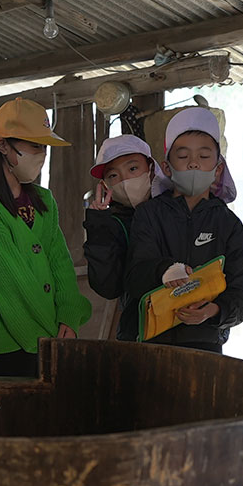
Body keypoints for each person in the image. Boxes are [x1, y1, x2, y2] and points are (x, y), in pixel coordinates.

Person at [0, 97, 91, 376]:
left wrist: (68, 316)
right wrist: (49, 335)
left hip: (51, 336)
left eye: (44, 147)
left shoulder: (44, 200)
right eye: (34, 146)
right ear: (4, 145)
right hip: (10, 344)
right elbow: (8, 280)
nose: (41, 154)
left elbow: (60, 263)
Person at [123, 106, 243, 352]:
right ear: (167, 166)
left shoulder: (229, 225)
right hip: (149, 345)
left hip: (205, 344)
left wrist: (214, 311)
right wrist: (164, 271)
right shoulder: (149, 215)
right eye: (183, 157)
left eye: (204, 157)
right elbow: (135, 276)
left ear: (218, 169)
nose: (194, 164)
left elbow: (242, 293)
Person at [82, 134, 164, 339]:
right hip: (138, 331)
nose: (125, 180)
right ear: (105, 185)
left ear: (151, 168)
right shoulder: (112, 224)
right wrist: (99, 226)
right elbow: (107, 286)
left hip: (188, 325)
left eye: (133, 169)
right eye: (113, 176)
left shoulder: (175, 210)